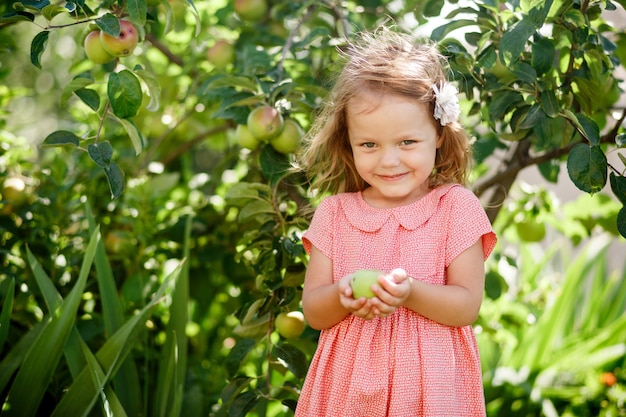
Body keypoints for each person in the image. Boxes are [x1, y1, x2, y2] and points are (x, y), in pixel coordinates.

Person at [293, 27, 498, 417]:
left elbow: (466, 305)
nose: (389, 161)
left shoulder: (456, 208)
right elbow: (314, 312)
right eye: (369, 145)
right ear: (348, 143)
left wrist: (409, 293)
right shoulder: (335, 214)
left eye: (407, 142)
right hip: (348, 389)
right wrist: (344, 294)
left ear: (438, 134)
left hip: (429, 390)